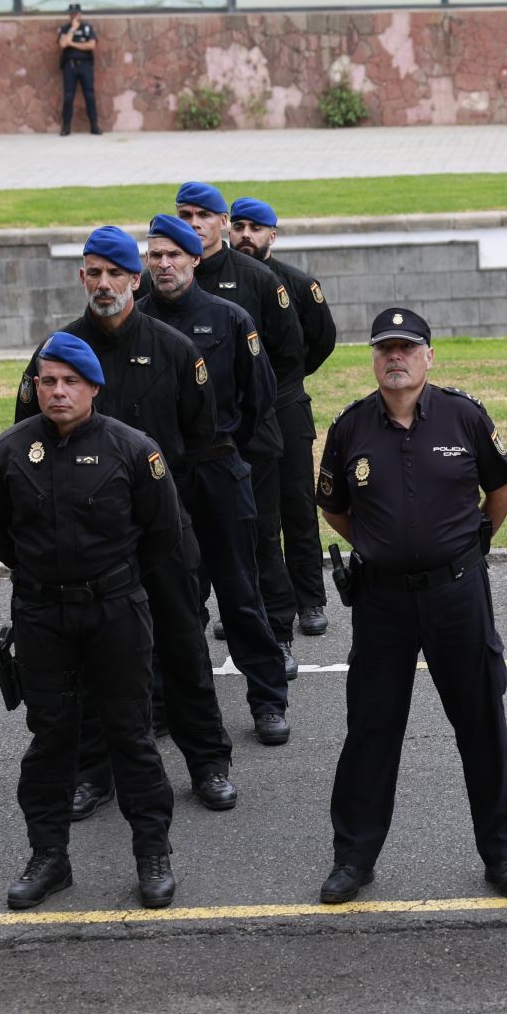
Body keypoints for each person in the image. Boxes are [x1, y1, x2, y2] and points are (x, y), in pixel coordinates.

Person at [14, 226, 238, 817]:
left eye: (115, 273)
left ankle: (209, 762)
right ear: (81, 278)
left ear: (135, 279)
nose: (104, 283)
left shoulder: (173, 349)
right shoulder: (56, 355)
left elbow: (199, 439)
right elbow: (25, 442)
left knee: (183, 646)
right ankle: (93, 771)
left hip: (162, 532)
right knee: (87, 663)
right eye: (94, 272)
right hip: (86, 546)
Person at [315, 308, 507, 904]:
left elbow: (503, 490)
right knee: (372, 731)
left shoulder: (464, 416)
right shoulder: (351, 427)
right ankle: (353, 859)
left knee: (482, 724)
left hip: (456, 595)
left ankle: (503, 855)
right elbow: (333, 508)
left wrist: (468, 544)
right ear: (374, 357)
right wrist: (380, 547)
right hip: (381, 600)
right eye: (385, 347)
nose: (396, 357)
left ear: (428, 356)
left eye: (407, 347)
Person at [0, 333, 180, 910]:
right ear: (35, 386)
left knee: (131, 736)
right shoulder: (9, 452)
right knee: (51, 738)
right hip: (41, 614)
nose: (58, 391)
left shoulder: (133, 450)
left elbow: (162, 533)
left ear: (93, 387)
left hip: (115, 611)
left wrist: (108, 581)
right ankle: (49, 858)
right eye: (48, 381)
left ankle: (152, 854)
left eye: (70, 382)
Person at [140, 213, 294, 745]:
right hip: (160, 482)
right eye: (154, 255)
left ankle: (268, 700)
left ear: (195, 259)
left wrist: (224, 452)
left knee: (239, 592)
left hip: (218, 470)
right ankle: (161, 701)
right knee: (166, 597)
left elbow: (259, 399)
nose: (163, 265)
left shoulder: (229, 319)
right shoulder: (134, 321)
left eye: (173, 255)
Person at [172, 182, 305, 674]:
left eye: (203, 215)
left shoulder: (256, 277)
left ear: (223, 222)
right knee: (187, 551)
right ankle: (187, 648)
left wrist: (243, 433)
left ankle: (278, 637)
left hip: (249, 444)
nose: (194, 223)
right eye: (184, 214)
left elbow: (288, 357)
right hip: (185, 454)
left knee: (262, 541)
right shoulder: (159, 284)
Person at [231, 196, 339, 640]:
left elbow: (321, 340)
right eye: (237, 226)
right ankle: (252, 602)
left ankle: (309, 598)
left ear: (271, 236)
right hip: (239, 415)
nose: (245, 235)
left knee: (297, 505)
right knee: (248, 513)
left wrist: (285, 381)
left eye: (255, 228)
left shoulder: (297, 284)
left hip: (286, 406)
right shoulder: (218, 281)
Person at [56, 4, 100, 136]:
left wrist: (73, 44)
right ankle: (66, 126)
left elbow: (91, 45)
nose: (73, 15)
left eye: (76, 13)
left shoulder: (87, 28)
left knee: (89, 95)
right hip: (70, 65)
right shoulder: (64, 28)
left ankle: (94, 125)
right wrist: (73, 29)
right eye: (71, 13)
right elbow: (63, 44)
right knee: (69, 96)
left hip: (85, 65)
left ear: (80, 14)